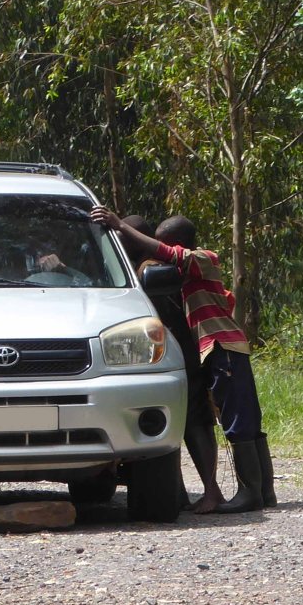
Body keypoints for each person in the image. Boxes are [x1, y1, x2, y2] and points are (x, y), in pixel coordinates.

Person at [91, 206, 276, 513]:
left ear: (180, 243)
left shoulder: (203, 258)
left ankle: (251, 493)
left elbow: (164, 251)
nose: (164, 254)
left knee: (238, 422)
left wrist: (118, 226)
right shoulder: (184, 273)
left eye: (167, 246)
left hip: (222, 345)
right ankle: (264, 492)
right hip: (219, 348)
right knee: (245, 419)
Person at [119, 215, 225, 514]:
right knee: (174, 425)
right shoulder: (137, 268)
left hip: (179, 360)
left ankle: (212, 490)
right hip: (164, 359)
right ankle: (178, 490)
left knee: (193, 422)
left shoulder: (151, 268)